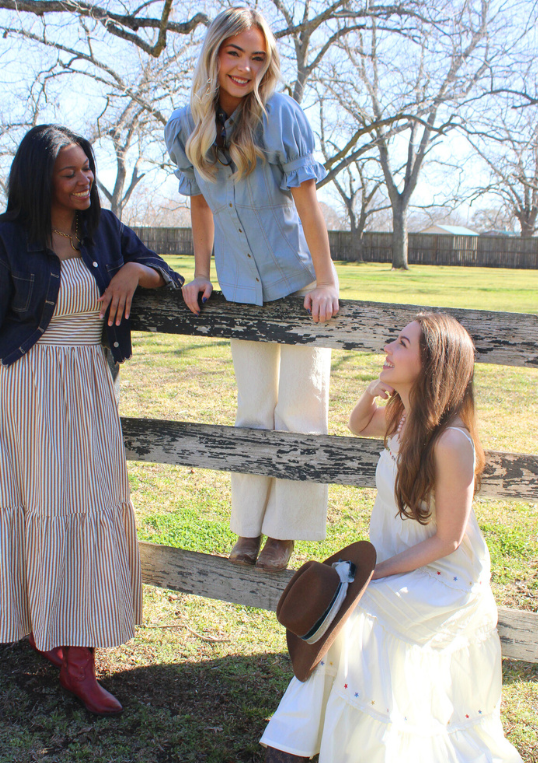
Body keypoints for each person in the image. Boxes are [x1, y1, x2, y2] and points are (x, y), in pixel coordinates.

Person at [0, 124, 183, 716]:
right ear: (40, 180)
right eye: (69, 173)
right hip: (24, 392)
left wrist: (133, 273)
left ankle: (70, 642)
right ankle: (71, 657)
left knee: (93, 509)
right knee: (44, 511)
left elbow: (163, 268)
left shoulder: (100, 227)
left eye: (87, 169)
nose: (85, 181)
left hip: (90, 389)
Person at [261, 312, 522, 762]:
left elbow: (448, 540)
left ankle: (317, 748)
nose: (387, 349)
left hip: (445, 575)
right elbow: (358, 424)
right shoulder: (402, 419)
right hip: (397, 558)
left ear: (432, 362)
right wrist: (372, 389)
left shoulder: (450, 442)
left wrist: (376, 574)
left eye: (401, 344)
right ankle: (294, 742)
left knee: (361, 605)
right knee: (348, 603)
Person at [165, 7, 340, 572]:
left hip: (295, 286)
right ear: (214, 54)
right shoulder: (184, 126)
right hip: (240, 290)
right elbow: (199, 205)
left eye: (257, 57)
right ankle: (247, 529)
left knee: (300, 411)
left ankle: (286, 531)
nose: (245, 67)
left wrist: (326, 279)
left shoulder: (279, 116)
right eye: (235, 53)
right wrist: (200, 273)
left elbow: (309, 204)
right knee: (252, 413)